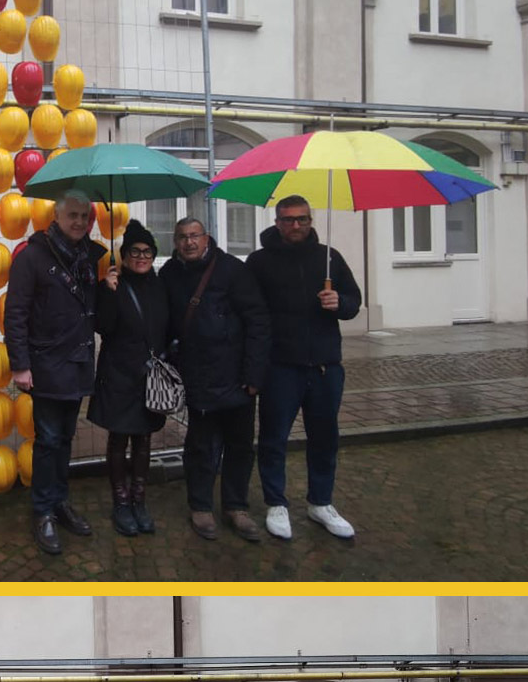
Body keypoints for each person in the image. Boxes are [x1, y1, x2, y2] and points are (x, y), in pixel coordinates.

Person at [245, 195, 363, 541]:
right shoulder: (260, 262)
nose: (295, 226)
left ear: (311, 221)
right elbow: (251, 312)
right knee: (273, 438)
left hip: (325, 366)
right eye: (287, 220)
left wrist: (339, 302)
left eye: (302, 219)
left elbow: (354, 301)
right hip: (280, 366)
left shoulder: (330, 258)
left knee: (325, 438)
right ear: (277, 222)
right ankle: (275, 503)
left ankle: (321, 502)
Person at [5, 190, 108, 555]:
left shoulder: (90, 259)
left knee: (65, 438)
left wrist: (109, 283)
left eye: (84, 216)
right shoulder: (32, 257)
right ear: (57, 217)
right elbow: (15, 313)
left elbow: (91, 310)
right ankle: (43, 511)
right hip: (47, 364)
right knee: (48, 441)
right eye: (73, 216)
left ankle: (60, 501)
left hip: (78, 361)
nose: (79, 222)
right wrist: (20, 365)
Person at [162, 216, 270, 541]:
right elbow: (164, 324)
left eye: (195, 236)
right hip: (198, 378)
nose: (189, 242)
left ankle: (236, 507)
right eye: (182, 237)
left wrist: (254, 374)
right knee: (200, 446)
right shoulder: (169, 274)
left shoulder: (232, 270)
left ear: (206, 238)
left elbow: (258, 321)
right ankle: (201, 506)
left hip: (237, 376)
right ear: (176, 241)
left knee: (239, 446)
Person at [86, 219, 168, 537]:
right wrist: (106, 291)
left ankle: (139, 499)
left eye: (147, 251)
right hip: (119, 374)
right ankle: (120, 502)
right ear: (124, 254)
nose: (141, 257)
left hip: (149, 377)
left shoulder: (160, 286)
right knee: (119, 437)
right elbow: (103, 327)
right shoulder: (113, 284)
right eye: (135, 250)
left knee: (145, 438)